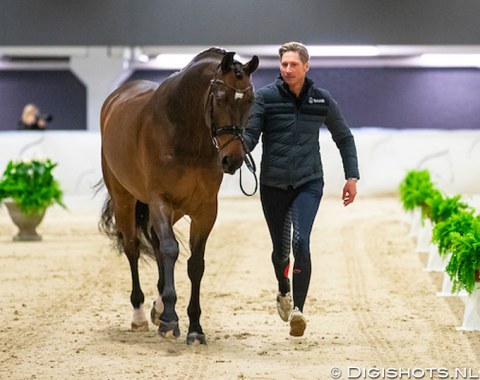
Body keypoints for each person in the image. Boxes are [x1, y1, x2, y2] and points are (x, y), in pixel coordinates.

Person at [243, 41, 360, 337]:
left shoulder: (321, 100)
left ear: (306, 67)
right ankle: (283, 289)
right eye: (284, 64)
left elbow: (343, 137)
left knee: (301, 242)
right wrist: (234, 153)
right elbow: (251, 136)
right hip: (273, 185)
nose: (288, 69)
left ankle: (299, 310)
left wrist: (352, 177)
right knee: (280, 252)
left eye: (294, 64)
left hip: (308, 183)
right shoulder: (265, 98)